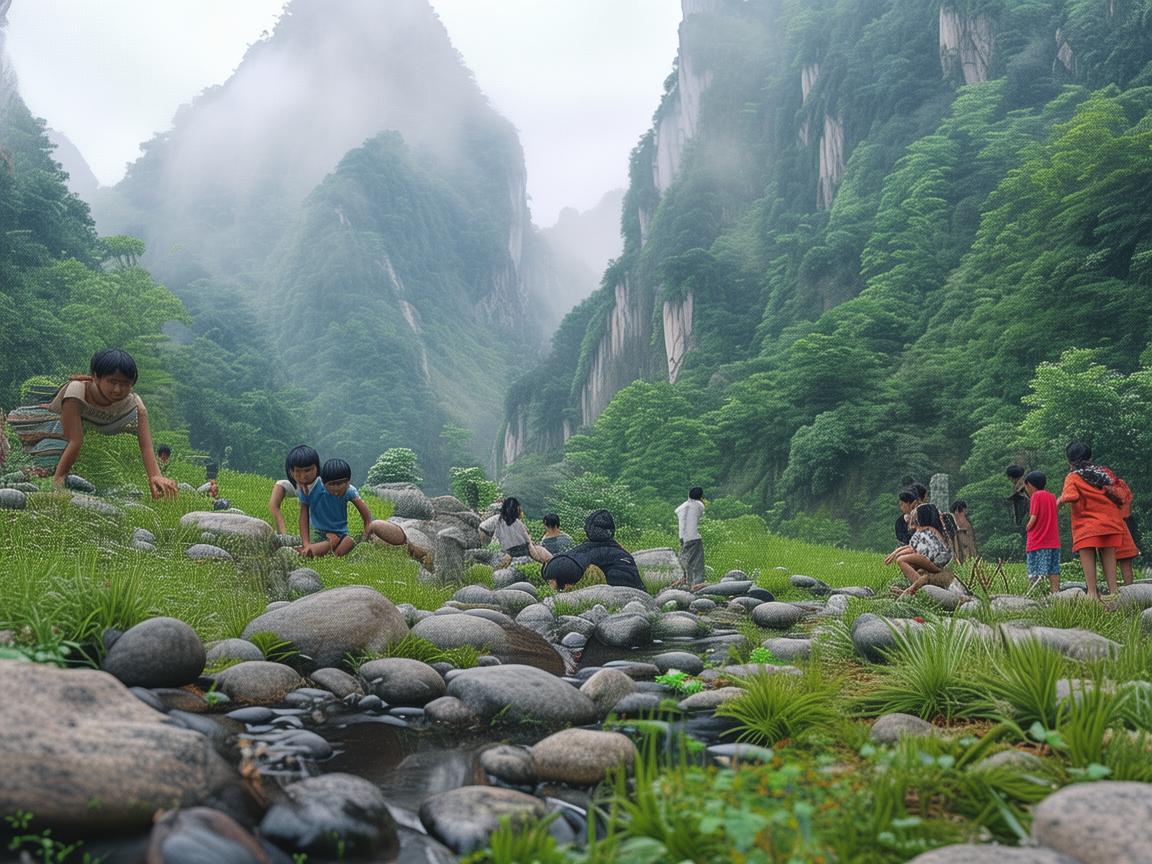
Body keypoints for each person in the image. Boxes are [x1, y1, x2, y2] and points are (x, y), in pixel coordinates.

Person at [46, 348, 177, 499]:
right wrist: (58, 482)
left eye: (125, 383)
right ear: (96, 376)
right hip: (61, 420)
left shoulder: (135, 405)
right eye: (112, 382)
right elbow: (75, 440)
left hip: (110, 422)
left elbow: (146, 445)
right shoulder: (77, 391)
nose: (118, 389)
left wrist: (155, 476)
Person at [298, 458, 431, 563]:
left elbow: (366, 515)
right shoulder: (315, 490)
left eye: (341, 483)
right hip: (321, 532)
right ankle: (309, 552)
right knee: (328, 548)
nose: (336, 488)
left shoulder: (349, 492)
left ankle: (413, 550)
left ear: (348, 482)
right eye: (332, 484)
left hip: (342, 534)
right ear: (324, 483)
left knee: (354, 538)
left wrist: (367, 532)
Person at [1056, 441, 1127, 600]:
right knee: (1109, 556)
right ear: (1090, 456)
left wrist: (1059, 501)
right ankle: (1114, 594)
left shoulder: (1073, 476)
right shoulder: (1104, 472)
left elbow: (1072, 496)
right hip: (1111, 523)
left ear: (1070, 461)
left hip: (1087, 526)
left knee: (1088, 555)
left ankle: (1093, 594)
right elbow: (1120, 493)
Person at [542, 509, 645, 592]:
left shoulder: (590, 550)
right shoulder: (619, 549)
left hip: (619, 593)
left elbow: (562, 566)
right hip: (639, 591)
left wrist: (551, 577)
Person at [885, 503, 955, 597]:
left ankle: (921, 589)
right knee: (909, 561)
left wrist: (895, 554)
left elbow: (912, 549)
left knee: (901, 560)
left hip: (935, 563)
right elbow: (914, 549)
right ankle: (916, 586)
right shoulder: (934, 530)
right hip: (939, 562)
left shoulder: (923, 531)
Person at [269, 444, 323, 535]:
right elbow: (281, 486)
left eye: (307, 470)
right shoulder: (297, 485)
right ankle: (282, 536)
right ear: (291, 471)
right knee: (279, 485)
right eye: (298, 471)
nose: (303, 476)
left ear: (316, 468)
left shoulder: (323, 485)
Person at [1023, 472, 1061, 594]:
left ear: (1030, 485)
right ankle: (1055, 593)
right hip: (1053, 542)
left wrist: (1027, 527)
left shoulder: (1035, 496)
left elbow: (1033, 517)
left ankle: (1034, 594)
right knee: (1053, 569)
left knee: (1035, 570)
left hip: (1038, 541)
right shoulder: (1052, 497)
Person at [491, 497, 553, 567]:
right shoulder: (518, 524)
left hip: (507, 551)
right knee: (544, 553)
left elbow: (496, 540)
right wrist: (538, 558)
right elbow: (529, 544)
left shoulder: (499, 522)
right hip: (521, 551)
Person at [675, 486, 706, 587]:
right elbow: (700, 512)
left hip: (682, 537)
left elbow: (677, 511)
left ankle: (686, 580)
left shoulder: (682, 506)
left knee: (685, 559)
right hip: (694, 538)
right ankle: (697, 583)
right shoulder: (699, 505)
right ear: (700, 496)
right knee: (697, 561)